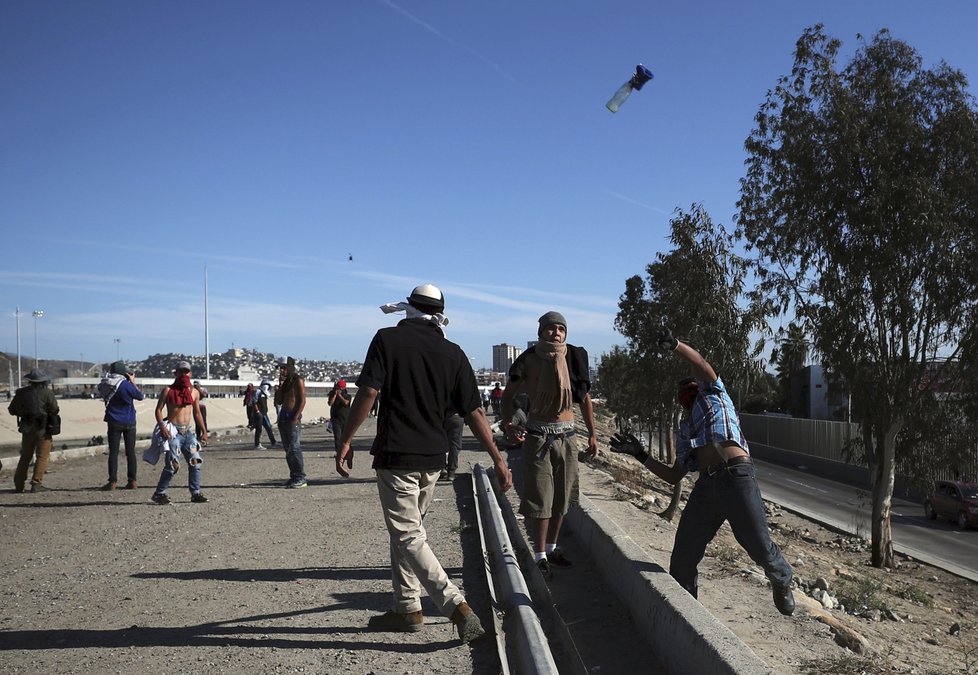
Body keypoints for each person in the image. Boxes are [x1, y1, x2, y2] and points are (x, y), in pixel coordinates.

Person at [335, 283, 513, 643]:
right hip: (433, 459)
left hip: (397, 454)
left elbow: (368, 393)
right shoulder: (454, 353)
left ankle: (456, 606)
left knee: (408, 534)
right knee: (408, 533)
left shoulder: (386, 340)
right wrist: (498, 458)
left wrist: (347, 439)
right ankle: (407, 608)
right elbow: (475, 411)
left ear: (408, 309)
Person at [609, 329, 795, 616]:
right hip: (707, 487)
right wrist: (640, 454)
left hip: (737, 476)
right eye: (683, 390)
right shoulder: (685, 429)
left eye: (691, 383)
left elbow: (702, 365)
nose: (687, 389)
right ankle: (689, 617)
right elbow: (673, 476)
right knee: (683, 557)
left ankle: (782, 579)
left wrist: (675, 345)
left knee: (758, 547)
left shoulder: (715, 394)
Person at [500, 311, 598, 578]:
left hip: (567, 438)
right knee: (541, 498)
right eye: (551, 328)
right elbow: (507, 396)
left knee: (562, 497)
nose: (556, 333)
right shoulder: (529, 361)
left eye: (561, 329)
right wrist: (508, 423)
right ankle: (540, 555)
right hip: (538, 437)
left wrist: (592, 433)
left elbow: (584, 399)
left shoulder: (574, 359)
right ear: (541, 331)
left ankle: (553, 548)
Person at [151, 361, 209, 505]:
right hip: (173, 431)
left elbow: (197, 413)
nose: (184, 374)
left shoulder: (194, 392)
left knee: (195, 461)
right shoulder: (168, 390)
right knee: (172, 465)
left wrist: (204, 431)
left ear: (190, 373)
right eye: (181, 371)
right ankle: (159, 493)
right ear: (176, 373)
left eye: (186, 371)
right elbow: (158, 410)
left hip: (188, 432)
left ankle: (195, 493)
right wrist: (162, 427)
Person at [8, 368, 60, 493]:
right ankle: (36, 483)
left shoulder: (21, 393)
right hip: (43, 428)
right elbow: (55, 409)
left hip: (27, 428)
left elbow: (11, 410)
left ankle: (19, 484)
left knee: (25, 456)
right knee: (42, 456)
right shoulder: (47, 393)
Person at [99, 361, 144, 490]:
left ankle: (112, 481)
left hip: (113, 420)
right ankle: (132, 481)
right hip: (129, 421)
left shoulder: (106, 383)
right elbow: (140, 396)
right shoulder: (126, 385)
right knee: (130, 452)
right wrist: (132, 381)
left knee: (113, 452)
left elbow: (101, 393)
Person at [275, 356, 307, 488]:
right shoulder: (286, 383)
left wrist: (295, 416)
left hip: (292, 418)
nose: (282, 371)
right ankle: (294, 476)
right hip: (283, 418)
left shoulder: (297, 380)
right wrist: (280, 387)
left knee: (294, 448)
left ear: (290, 368)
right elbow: (279, 401)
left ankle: (300, 477)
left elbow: (302, 400)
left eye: (284, 368)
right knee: (288, 449)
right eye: (280, 368)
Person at [327, 379, 352, 467]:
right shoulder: (332, 393)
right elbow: (330, 403)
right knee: (337, 438)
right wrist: (334, 395)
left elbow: (346, 403)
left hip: (346, 419)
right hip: (336, 419)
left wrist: (340, 395)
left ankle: (349, 455)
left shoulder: (347, 395)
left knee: (347, 438)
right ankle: (339, 454)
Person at [251, 379, 277, 450]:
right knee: (259, 429)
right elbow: (254, 402)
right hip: (259, 414)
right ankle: (257, 444)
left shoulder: (265, 393)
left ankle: (273, 442)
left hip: (264, 413)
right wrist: (257, 411)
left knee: (269, 428)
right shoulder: (258, 392)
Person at [440, 412, 463, 481]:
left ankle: (441, 467)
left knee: (441, 442)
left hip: (441, 417)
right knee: (454, 445)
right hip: (456, 416)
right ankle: (451, 473)